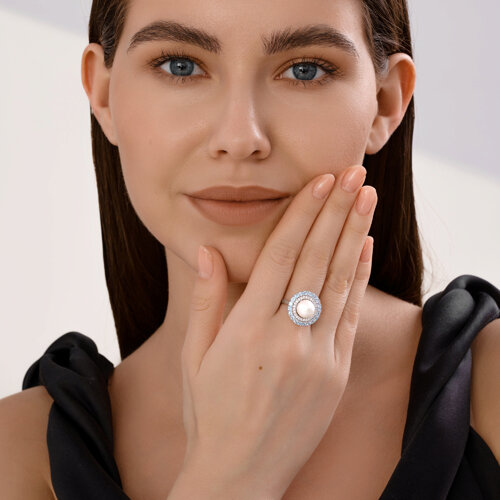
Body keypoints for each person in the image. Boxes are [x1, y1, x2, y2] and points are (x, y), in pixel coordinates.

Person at [1, 0, 499, 498]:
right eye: (180, 66)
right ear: (103, 95)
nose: (240, 138)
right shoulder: (19, 454)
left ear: (385, 102)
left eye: (305, 70)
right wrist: (229, 473)